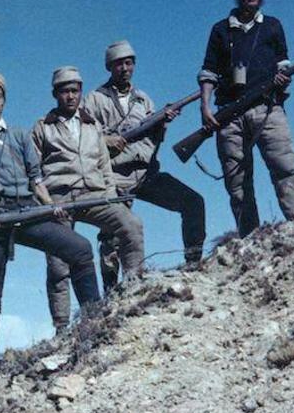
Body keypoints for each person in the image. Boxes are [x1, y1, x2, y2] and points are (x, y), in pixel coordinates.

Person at [0, 70, 101, 359]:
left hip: (27, 212)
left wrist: (50, 205)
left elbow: (36, 179)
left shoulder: (19, 136)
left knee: (80, 249)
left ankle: (94, 323)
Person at [84, 40, 206, 288]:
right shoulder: (94, 100)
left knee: (193, 202)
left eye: (129, 63)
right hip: (114, 177)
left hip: (145, 173)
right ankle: (111, 292)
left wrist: (162, 124)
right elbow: (83, 137)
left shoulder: (143, 100)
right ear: (109, 67)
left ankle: (193, 265)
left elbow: (152, 141)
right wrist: (106, 140)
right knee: (112, 237)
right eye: (119, 64)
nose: (125, 69)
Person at [31, 66, 144, 327]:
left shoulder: (92, 125)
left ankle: (134, 292)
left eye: (75, 90)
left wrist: (110, 196)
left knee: (131, 225)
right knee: (58, 264)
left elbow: (104, 166)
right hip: (58, 199)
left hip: (94, 195)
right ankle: (61, 325)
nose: (70, 96)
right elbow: (32, 172)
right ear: (55, 94)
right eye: (64, 91)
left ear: (81, 92)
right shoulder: (42, 127)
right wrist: (47, 203)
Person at [198, 0, 294, 238]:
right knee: (237, 184)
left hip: (268, 109)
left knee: (284, 167)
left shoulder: (273, 25)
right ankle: (250, 239)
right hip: (229, 116)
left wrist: (283, 80)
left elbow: (283, 64)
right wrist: (205, 107)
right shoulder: (220, 30)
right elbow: (208, 72)